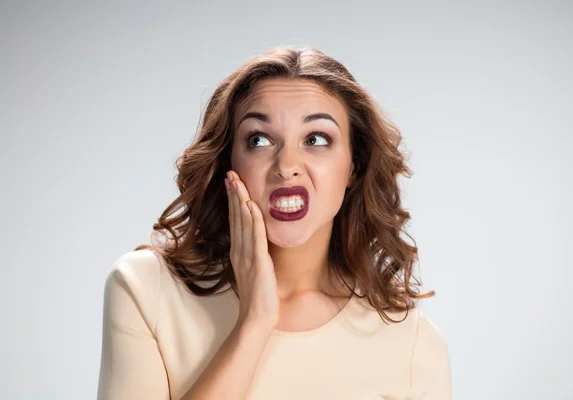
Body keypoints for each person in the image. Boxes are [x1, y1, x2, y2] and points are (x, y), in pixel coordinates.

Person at [97, 46, 452, 400]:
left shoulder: (412, 346)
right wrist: (253, 324)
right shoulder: (147, 290)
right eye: (260, 140)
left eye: (316, 139)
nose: (287, 165)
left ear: (353, 166)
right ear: (228, 162)